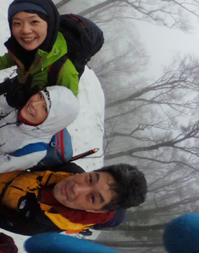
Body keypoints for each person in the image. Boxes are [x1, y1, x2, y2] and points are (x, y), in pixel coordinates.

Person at [0, 162, 147, 235]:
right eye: (90, 179)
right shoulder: (67, 169)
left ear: (95, 211)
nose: (76, 188)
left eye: (92, 198)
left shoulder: (41, 225)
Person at [0, 0, 79, 108]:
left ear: (49, 24)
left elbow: (65, 109)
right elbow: (7, 60)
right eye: (17, 23)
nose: (25, 30)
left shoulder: (65, 71)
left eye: (34, 21)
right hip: (18, 86)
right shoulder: (20, 49)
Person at [0, 86, 79, 173]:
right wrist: (5, 102)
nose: (34, 104)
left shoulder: (33, 151)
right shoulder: (21, 104)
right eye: (41, 96)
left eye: (45, 109)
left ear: (52, 122)